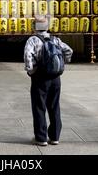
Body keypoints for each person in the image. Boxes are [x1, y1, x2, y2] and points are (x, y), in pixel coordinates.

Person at [24, 15, 73, 146]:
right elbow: (69, 51)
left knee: (39, 107)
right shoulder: (55, 39)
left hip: (40, 78)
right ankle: (55, 137)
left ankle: (41, 138)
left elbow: (28, 58)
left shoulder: (33, 40)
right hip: (56, 78)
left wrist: (31, 71)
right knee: (54, 106)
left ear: (34, 27)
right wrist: (61, 65)